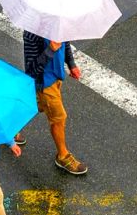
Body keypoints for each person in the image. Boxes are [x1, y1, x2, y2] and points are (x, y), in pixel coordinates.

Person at [15, 31, 88, 175]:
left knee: (35, 105)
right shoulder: (32, 34)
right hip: (45, 84)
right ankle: (63, 156)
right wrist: (50, 50)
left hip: (56, 79)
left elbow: (65, 43)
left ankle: (9, 129)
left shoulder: (58, 23)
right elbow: (31, 70)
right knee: (59, 118)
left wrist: (71, 64)